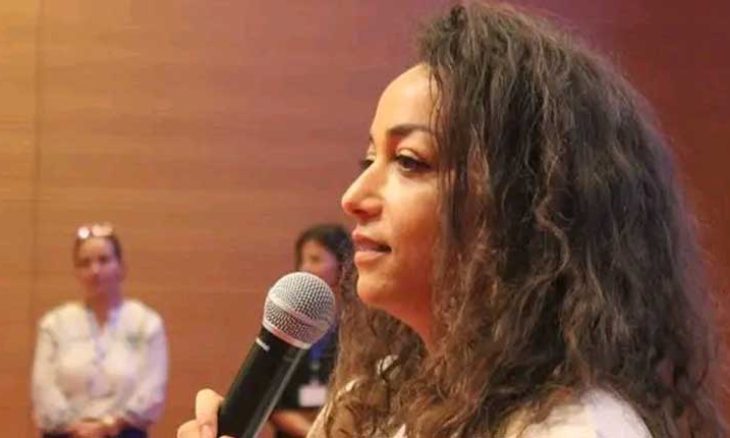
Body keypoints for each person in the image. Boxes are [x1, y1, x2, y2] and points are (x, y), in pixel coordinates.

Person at [177, 3, 726, 437]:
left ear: (523, 206)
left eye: (408, 161)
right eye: (368, 160)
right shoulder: (372, 397)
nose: (353, 197)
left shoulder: (575, 428)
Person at [32, 223, 168, 438]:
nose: (95, 270)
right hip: (66, 434)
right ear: (76, 272)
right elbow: (43, 388)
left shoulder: (146, 323)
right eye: (85, 263)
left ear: (121, 267)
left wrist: (108, 426)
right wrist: (77, 428)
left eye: (104, 260)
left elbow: (152, 390)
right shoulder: (54, 324)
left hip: (124, 433)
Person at [268, 224, 353, 438]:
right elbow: (271, 401)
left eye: (315, 260)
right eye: (302, 260)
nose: (305, 268)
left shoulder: (360, 328)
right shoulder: (289, 324)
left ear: (342, 265)